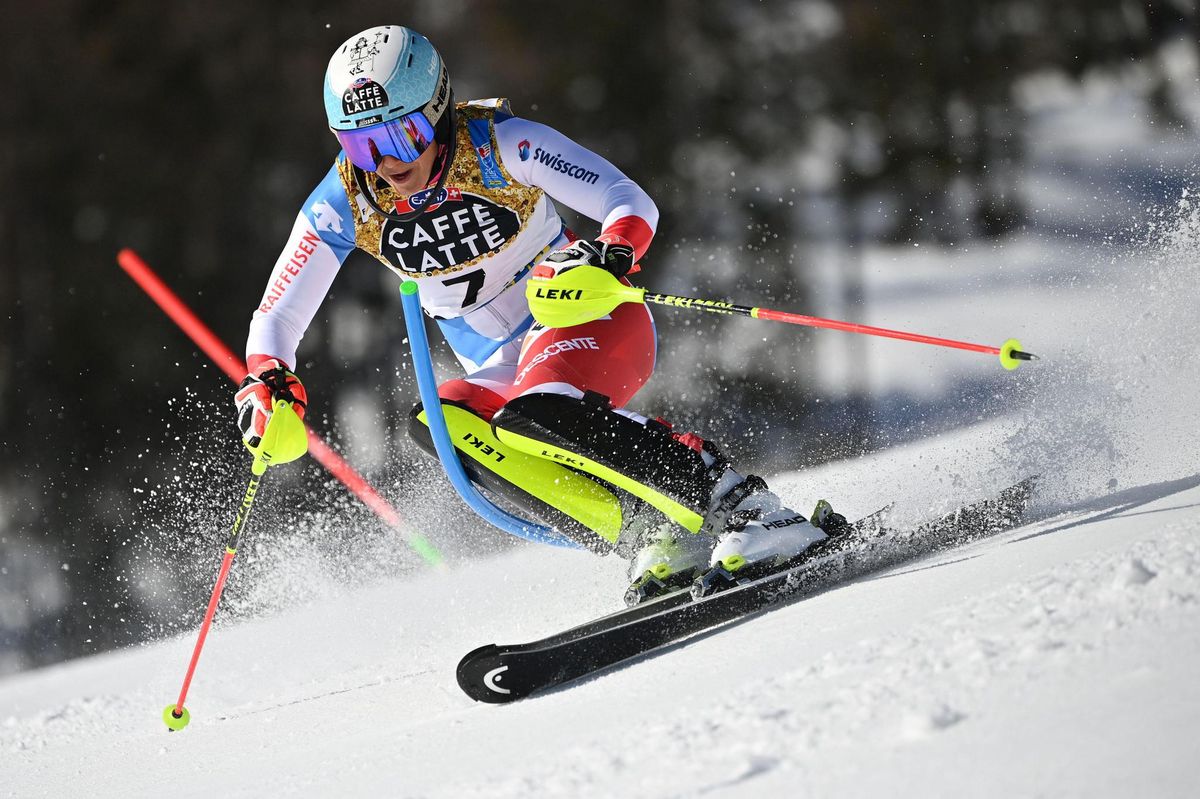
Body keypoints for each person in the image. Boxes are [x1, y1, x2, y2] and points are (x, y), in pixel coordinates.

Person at [235, 25, 846, 603]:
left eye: (400, 137)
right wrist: (267, 384)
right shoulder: (346, 200)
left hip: (586, 322)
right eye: (361, 144)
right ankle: (653, 530)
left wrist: (608, 257)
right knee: (442, 425)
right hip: (506, 362)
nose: (388, 163)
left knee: (539, 407)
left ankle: (751, 511)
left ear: (439, 110)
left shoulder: (500, 145)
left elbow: (626, 199)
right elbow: (277, 318)